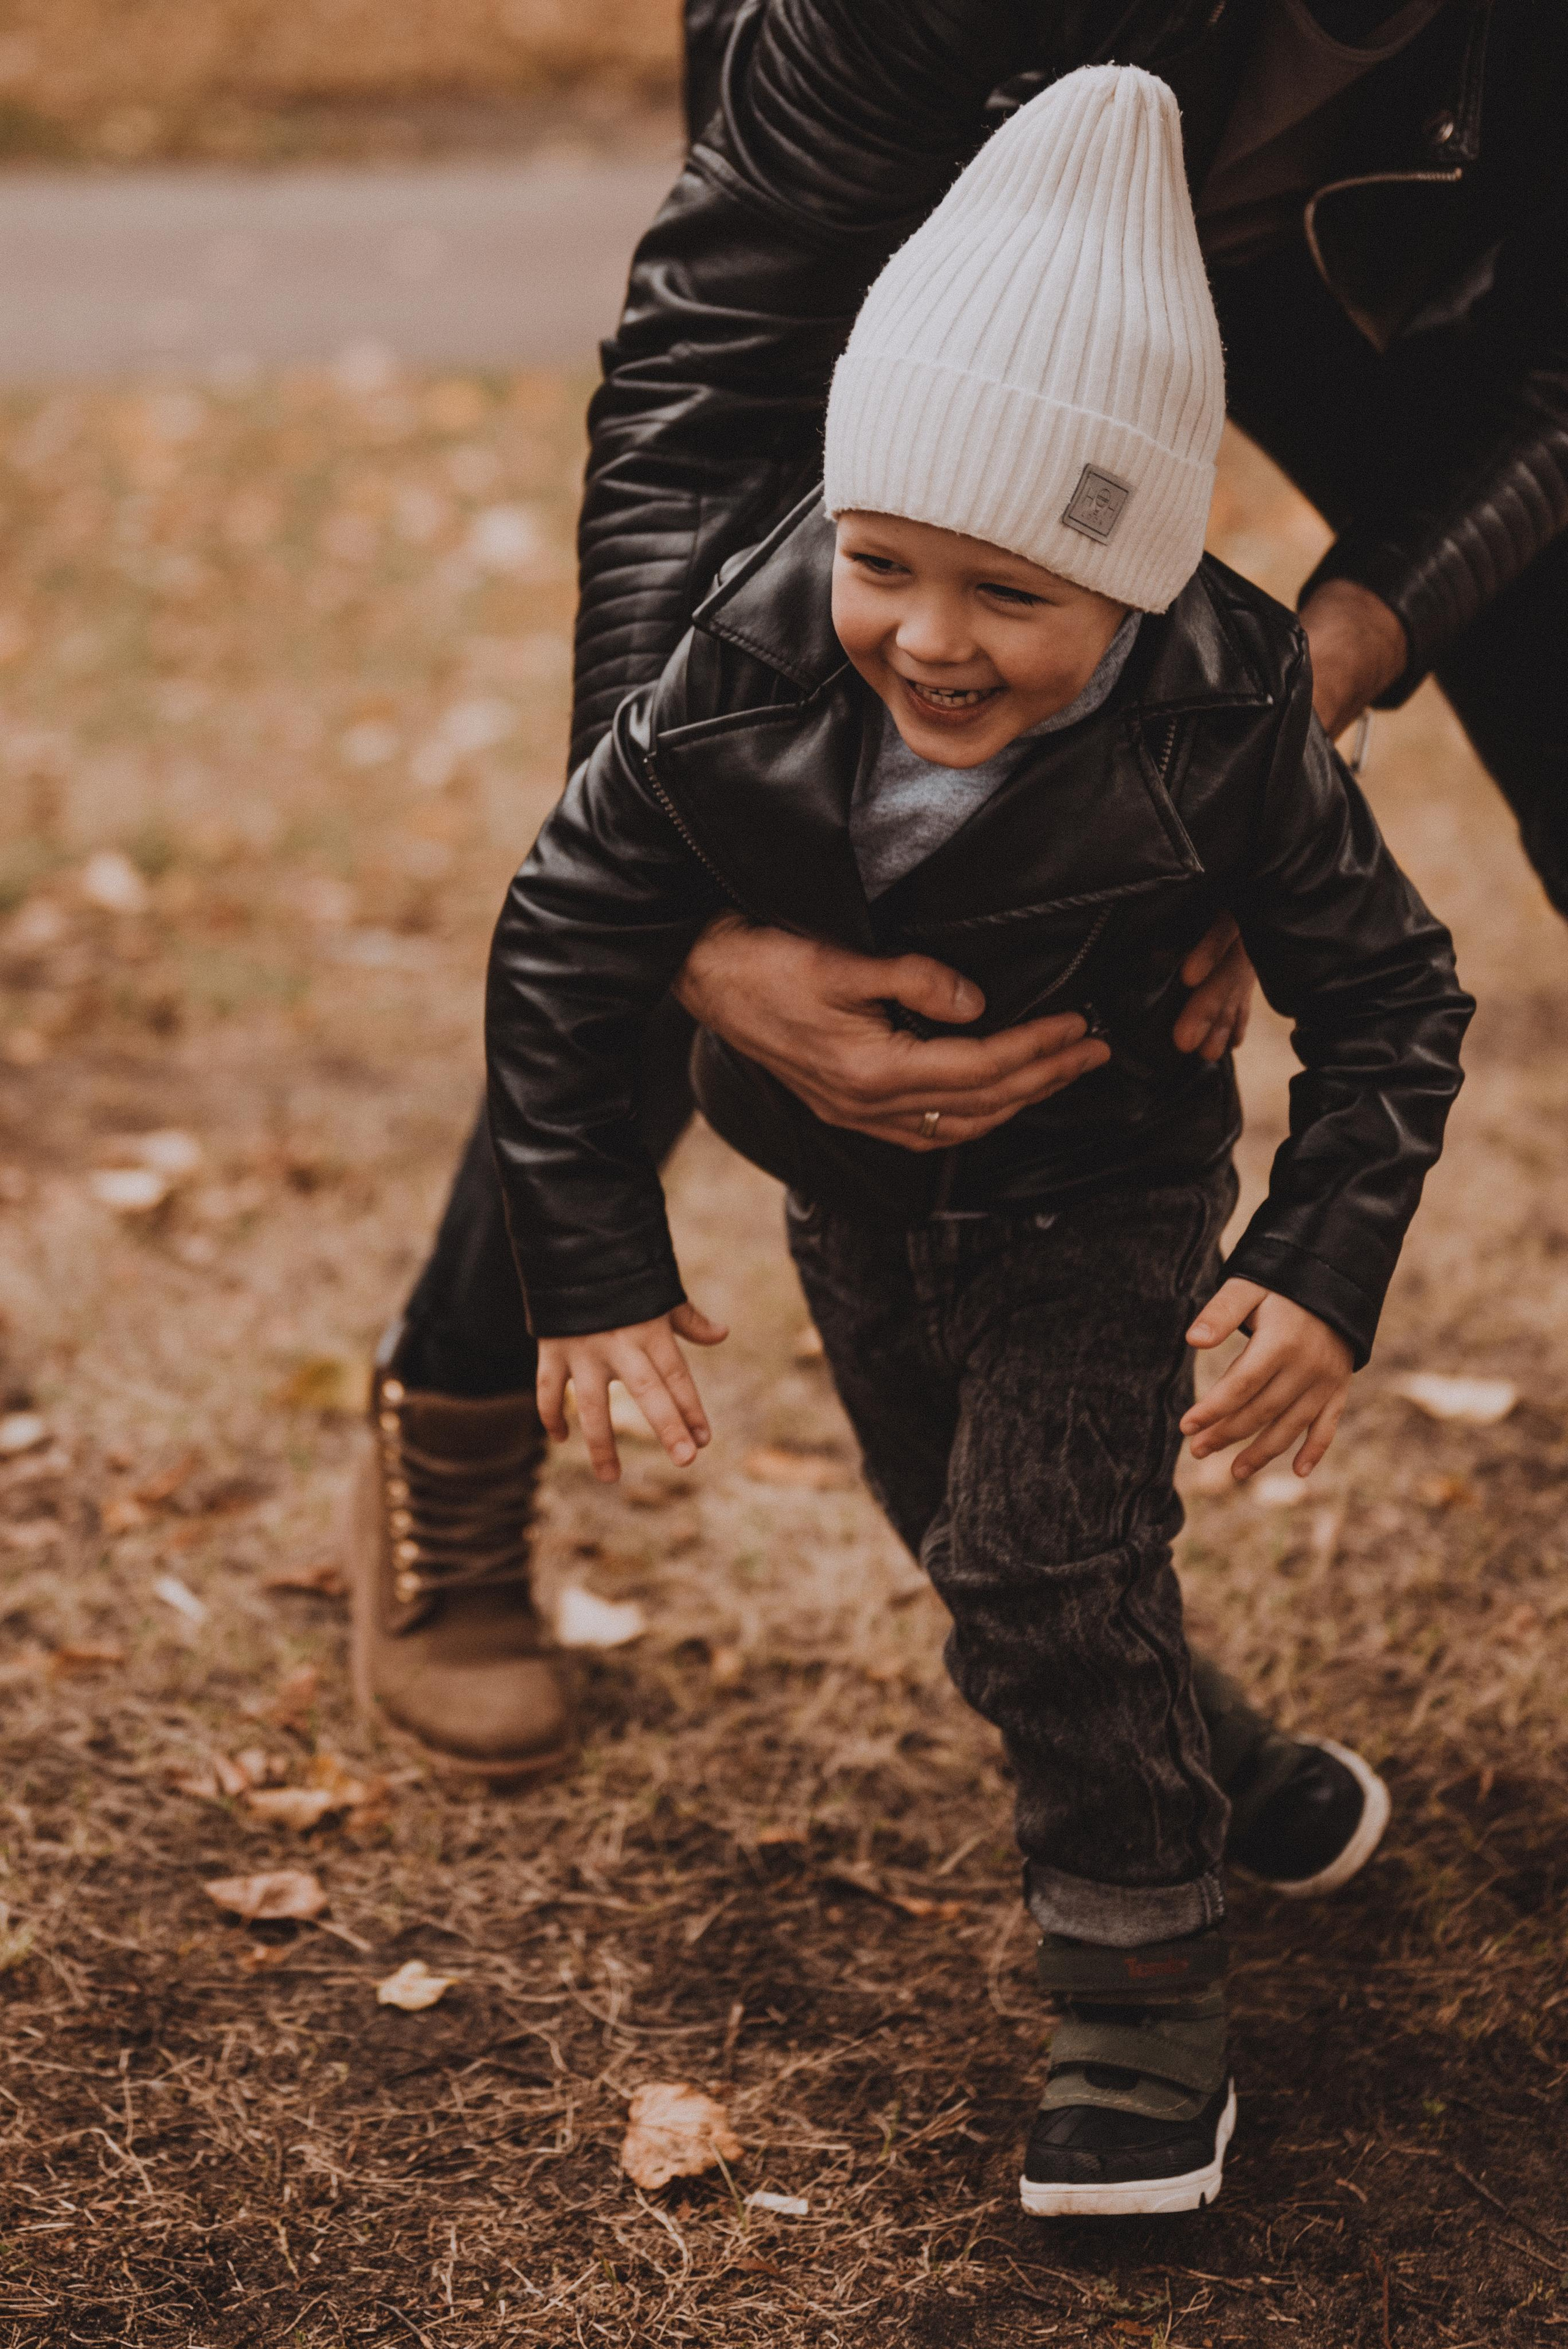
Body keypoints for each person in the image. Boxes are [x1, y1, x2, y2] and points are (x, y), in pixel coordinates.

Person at [352, 0, 1542, 1828]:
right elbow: (709, 362)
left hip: (1343, 242)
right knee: (800, 804)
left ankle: (1086, 1614)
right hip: (930, 230)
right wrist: (678, 880)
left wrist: (1274, 727)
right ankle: (455, 1409)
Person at [483, 68, 1472, 2214]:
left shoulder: (1229, 726)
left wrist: (1318, 1257)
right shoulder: (741, 667)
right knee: (984, 1541)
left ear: (1128, 583)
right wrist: (594, 1257)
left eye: (1010, 593)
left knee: (1033, 1558)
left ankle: (1143, 2024)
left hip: (1099, 1188)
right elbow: (569, 920)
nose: (928, 636)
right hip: (840, 1186)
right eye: (887, 559)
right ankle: (1240, 1767)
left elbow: (1395, 998)